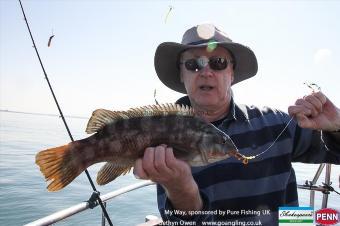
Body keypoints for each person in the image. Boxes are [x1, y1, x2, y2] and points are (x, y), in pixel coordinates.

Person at [133, 24, 340, 225]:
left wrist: (336, 127)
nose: (206, 72)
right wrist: (181, 189)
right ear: (181, 74)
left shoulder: (277, 124)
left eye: (219, 62)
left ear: (232, 73)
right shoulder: (161, 135)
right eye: (193, 64)